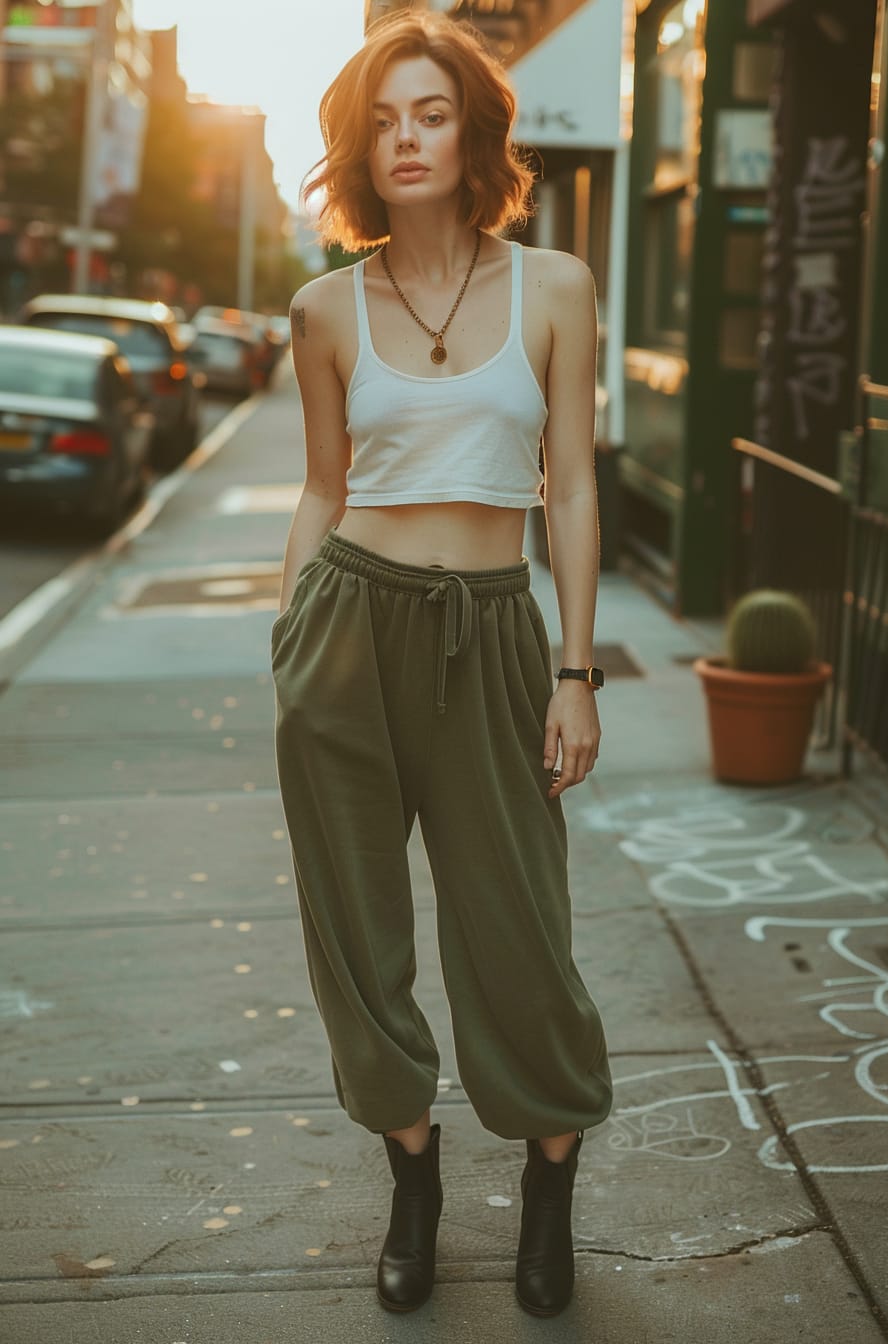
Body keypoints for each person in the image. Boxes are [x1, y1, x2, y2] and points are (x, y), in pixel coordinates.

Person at [272, 10, 613, 1318]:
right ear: (360, 145)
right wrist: (291, 635)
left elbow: (569, 490)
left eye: (430, 111)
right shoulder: (323, 307)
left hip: (494, 633)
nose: (406, 136)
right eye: (382, 117)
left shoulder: (557, 288)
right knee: (357, 930)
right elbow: (321, 485)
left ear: (475, 131)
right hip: (348, 628)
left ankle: (549, 1172)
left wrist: (576, 674)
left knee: (519, 927)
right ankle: (411, 1167)